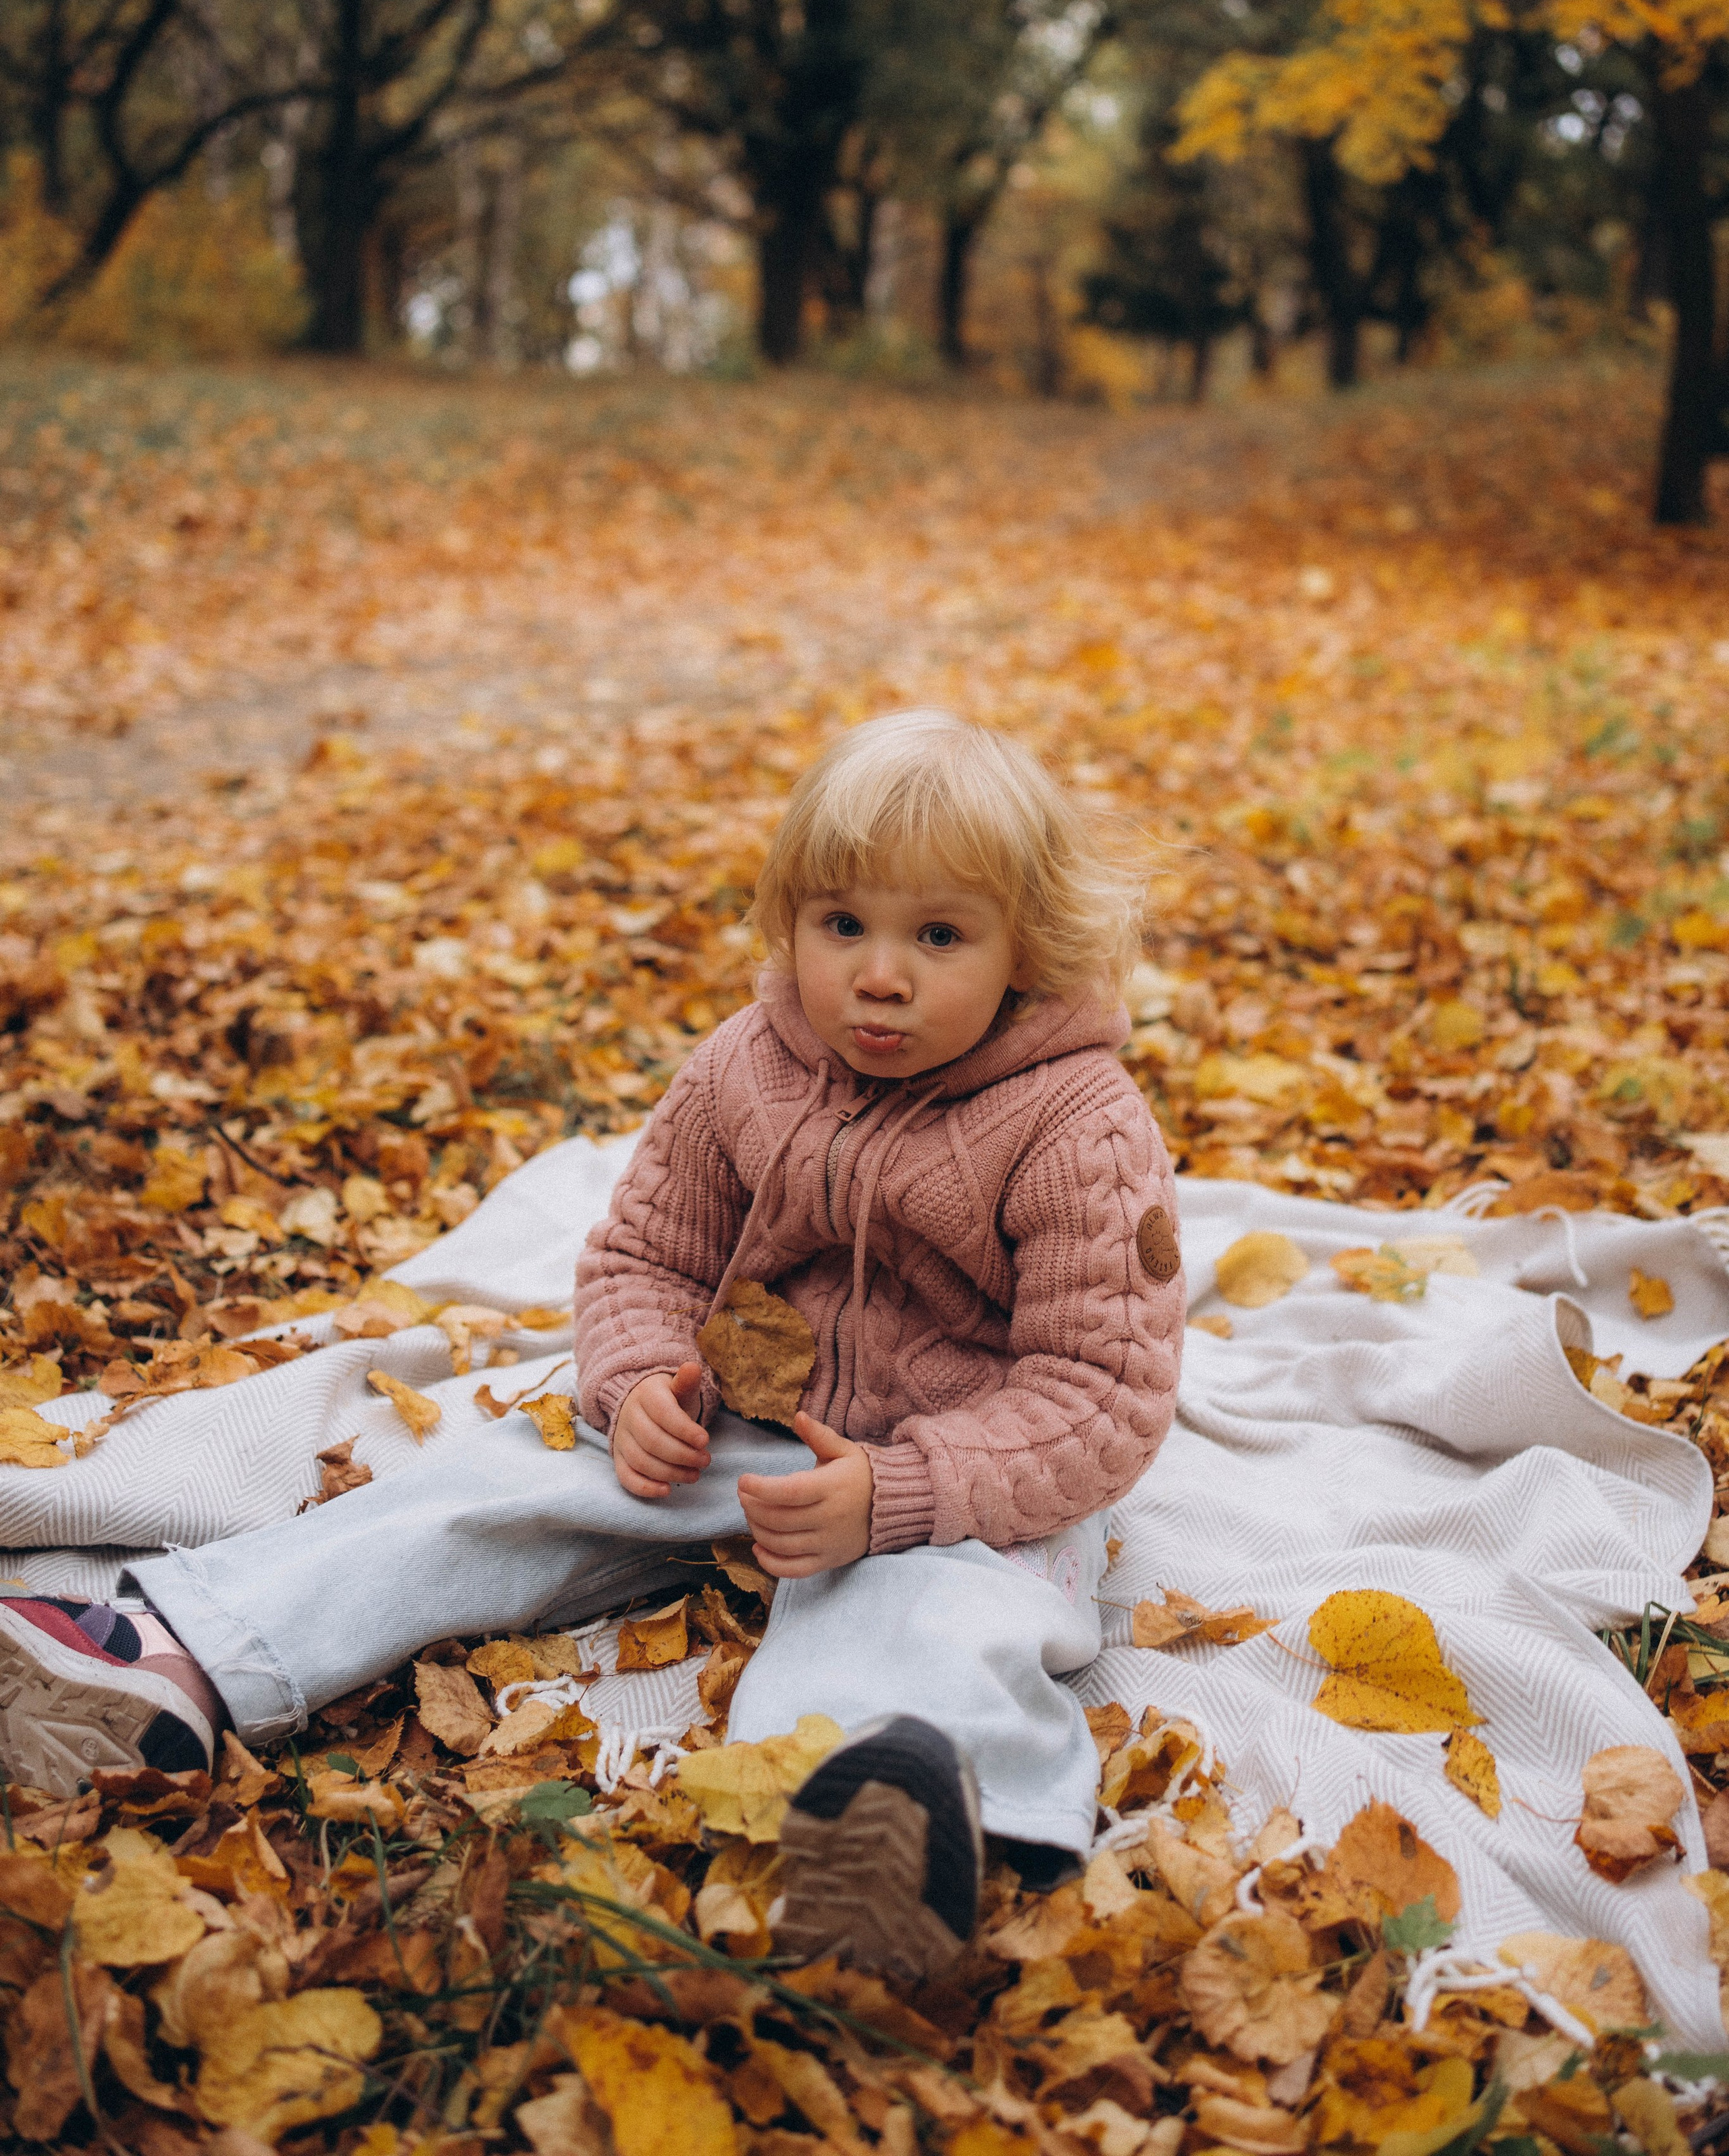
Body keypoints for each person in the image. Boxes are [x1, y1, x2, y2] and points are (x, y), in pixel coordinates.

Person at [0, 710, 1185, 1980]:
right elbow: (646, 1259)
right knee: (500, 1480)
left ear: (1027, 949)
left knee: (938, 1609)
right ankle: (183, 1657)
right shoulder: (748, 1066)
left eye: (938, 936)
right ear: (789, 921)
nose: (879, 975)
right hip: (751, 1413)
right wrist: (634, 1385)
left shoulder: (1080, 1129)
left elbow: (1097, 1390)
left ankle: (887, 1825)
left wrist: (904, 1492)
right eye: (843, 925)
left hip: (963, 1470)